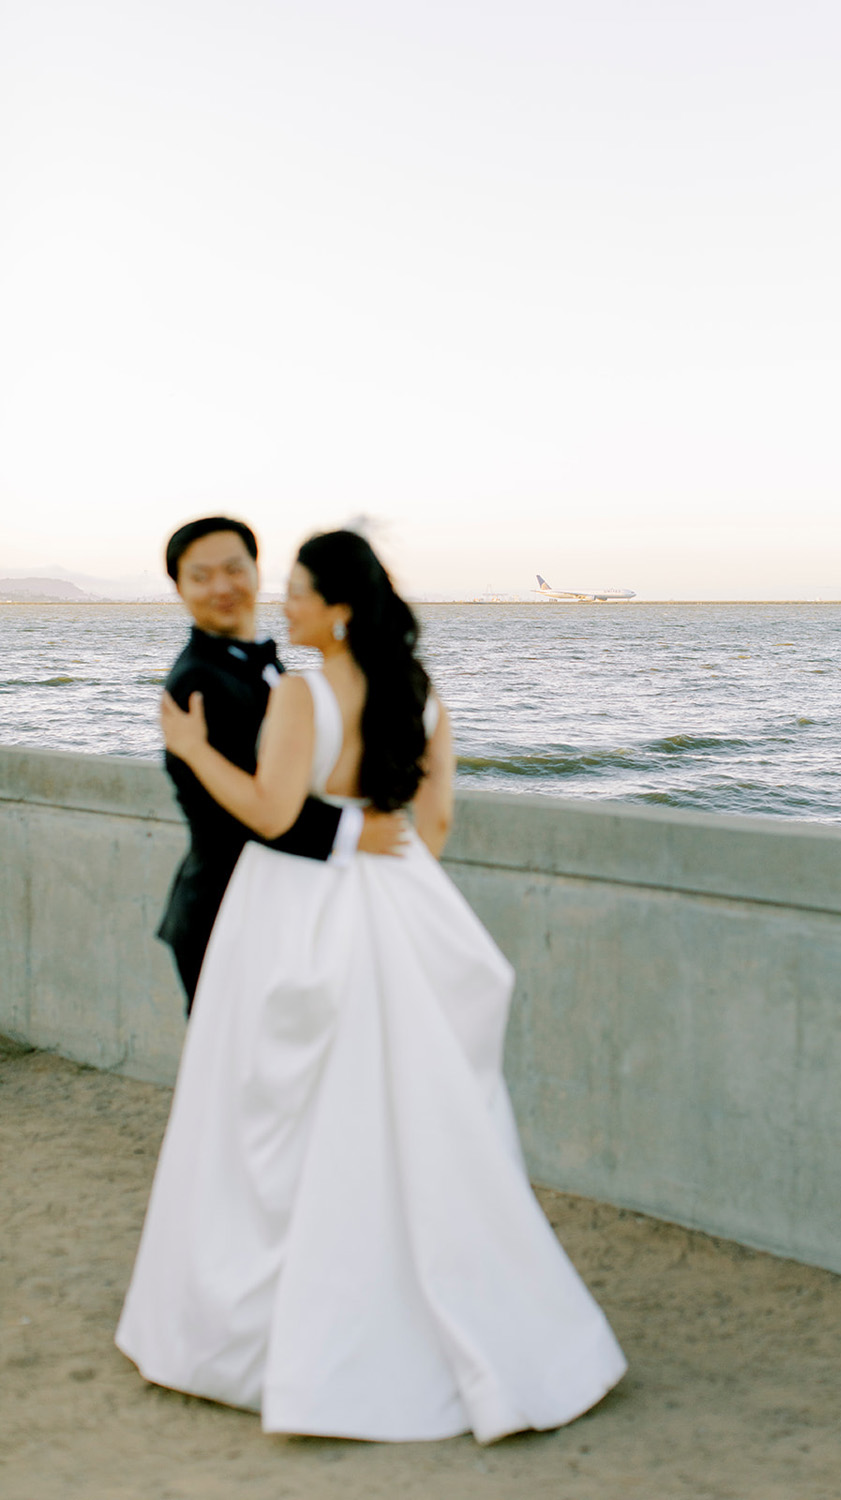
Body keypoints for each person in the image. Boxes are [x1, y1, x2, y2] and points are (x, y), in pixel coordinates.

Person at [116, 530, 626, 1443]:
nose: (284, 604)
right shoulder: (423, 695)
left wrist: (194, 751)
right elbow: (432, 827)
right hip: (398, 907)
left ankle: (265, 1327)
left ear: (338, 607)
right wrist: (370, 847)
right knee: (406, 1115)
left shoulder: (301, 693)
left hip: (294, 909)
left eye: (300, 592)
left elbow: (274, 814)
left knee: (272, 1116)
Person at [157, 516, 405, 1010]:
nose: (222, 587)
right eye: (200, 577)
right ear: (180, 589)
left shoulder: (273, 667)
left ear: (256, 570)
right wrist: (353, 830)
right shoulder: (196, 684)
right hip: (224, 907)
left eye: (234, 569)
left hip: (275, 901)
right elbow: (242, 810)